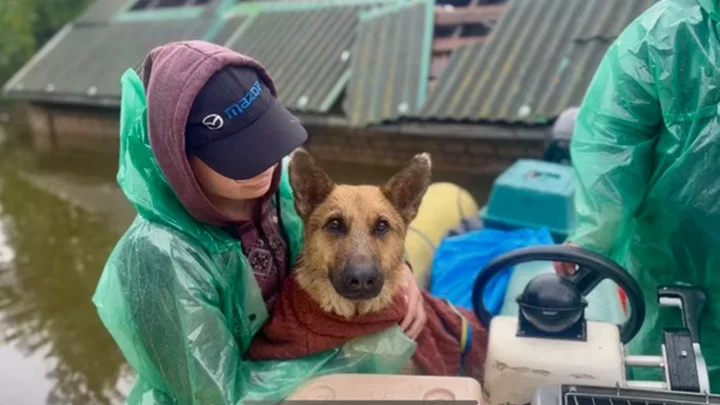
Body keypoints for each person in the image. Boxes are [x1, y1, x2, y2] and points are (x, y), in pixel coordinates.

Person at [92, 40, 424, 404]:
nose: (264, 165)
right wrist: (360, 354)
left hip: (293, 354)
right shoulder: (159, 258)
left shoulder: (278, 186)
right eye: (238, 154)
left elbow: (366, 223)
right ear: (178, 156)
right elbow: (214, 397)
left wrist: (401, 273)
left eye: (266, 140)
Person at [554, 0, 720, 392]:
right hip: (678, 267)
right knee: (677, 372)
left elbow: (612, 143)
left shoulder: (665, 32)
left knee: (672, 376)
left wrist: (596, 238)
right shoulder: (667, 34)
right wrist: (594, 239)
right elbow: (614, 140)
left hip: (675, 262)